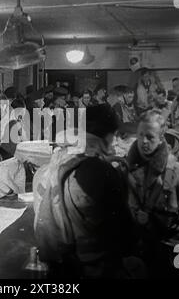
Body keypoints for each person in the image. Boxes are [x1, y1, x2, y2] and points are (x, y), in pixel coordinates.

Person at [33, 105, 134, 278]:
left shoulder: (50, 166)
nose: (116, 142)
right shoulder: (103, 170)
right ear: (108, 135)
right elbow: (124, 234)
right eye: (115, 136)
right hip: (93, 267)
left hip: (58, 266)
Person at [127, 109, 179, 277]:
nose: (143, 141)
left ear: (161, 138)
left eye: (150, 137)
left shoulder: (178, 171)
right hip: (146, 246)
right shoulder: (130, 171)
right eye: (140, 135)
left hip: (177, 246)